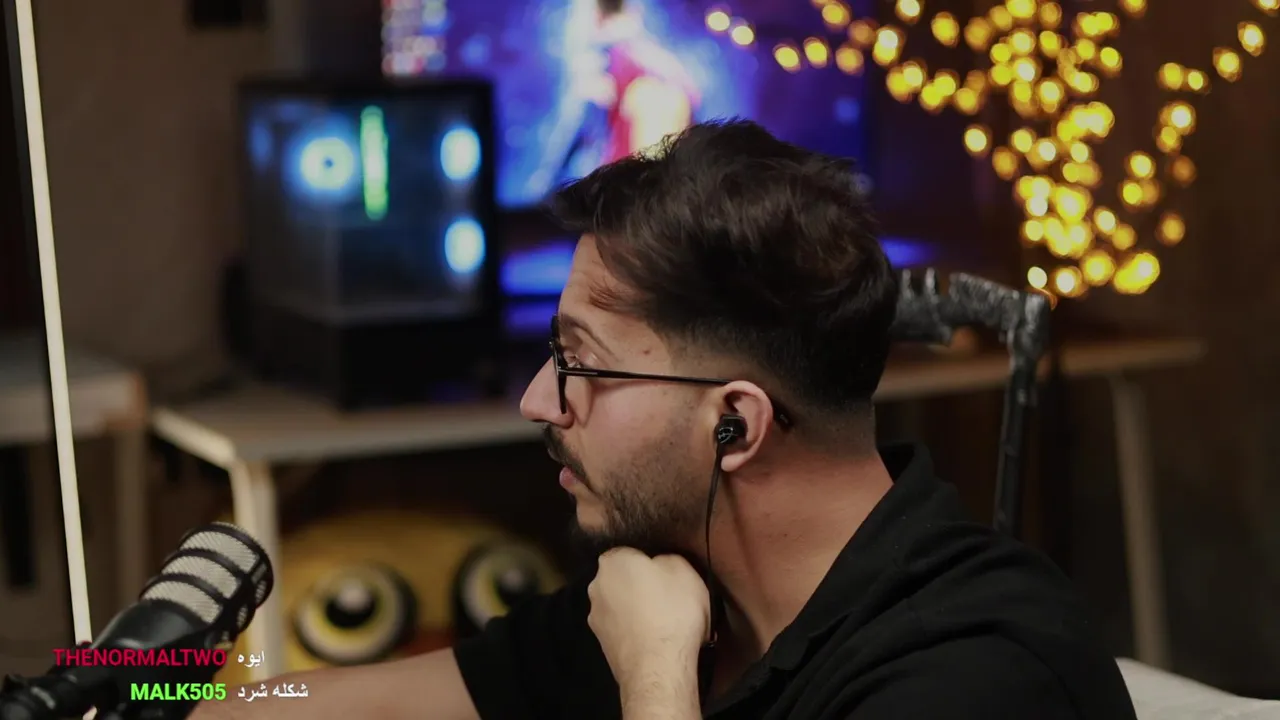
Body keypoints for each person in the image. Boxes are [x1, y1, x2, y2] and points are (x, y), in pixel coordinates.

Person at [194, 120, 1138, 719]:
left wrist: (653, 678)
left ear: (736, 425)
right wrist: (143, 681)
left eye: (579, 362)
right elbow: (337, 702)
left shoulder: (976, 675)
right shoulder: (690, 587)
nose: (538, 399)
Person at [526, 0, 701, 199]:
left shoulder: (614, 64)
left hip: (632, 201)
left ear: (594, 15)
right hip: (663, 198)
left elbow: (654, 175)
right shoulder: (665, 66)